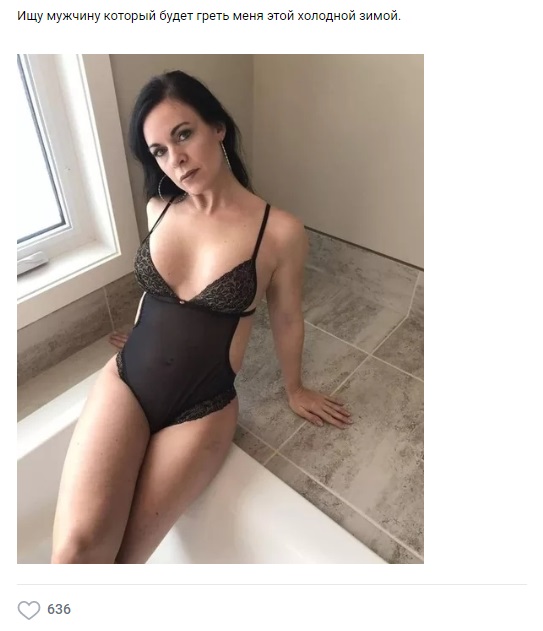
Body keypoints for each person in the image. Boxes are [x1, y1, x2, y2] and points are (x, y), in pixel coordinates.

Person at [51, 70, 352, 564]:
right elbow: (157, 290)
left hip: (202, 407)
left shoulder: (279, 231)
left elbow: (287, 317)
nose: (175, 159)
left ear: (218, 128)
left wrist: (295, 388)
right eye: (159, 151)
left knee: (126, 559)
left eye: (183, 134)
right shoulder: (158, 208)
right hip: (127, 381)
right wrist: (144, 332)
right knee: (75, 552)